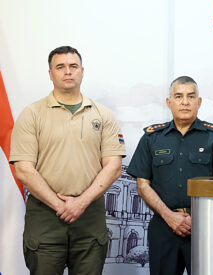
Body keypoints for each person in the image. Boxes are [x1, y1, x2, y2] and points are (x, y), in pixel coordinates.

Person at [9, 46, 125, 275]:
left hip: (89, 216)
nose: (68, 72)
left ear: (82, 71)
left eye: (73, 66)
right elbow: (23, 169)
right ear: (50, 74)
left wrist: (80, 203)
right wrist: (59, 205)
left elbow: (113, 167)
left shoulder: (103, 115)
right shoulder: (31, 114)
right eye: (60, 67)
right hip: (45, 216)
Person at [126, 76, 213, 275]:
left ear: (199, 102)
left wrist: (198, 219)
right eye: (178, 96)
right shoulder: (152, 137)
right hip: (163, 226)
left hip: (205, 228)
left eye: (190, 96)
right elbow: (143, 185)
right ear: (169, 102)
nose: (185, 102)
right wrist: (170, 216)